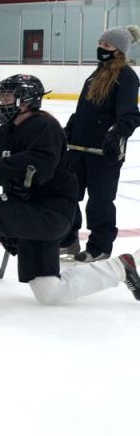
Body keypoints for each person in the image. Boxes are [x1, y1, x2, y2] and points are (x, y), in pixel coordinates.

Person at [0, 74, 139, 309]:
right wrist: (11, 231)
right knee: (50, 292)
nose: (2, 102)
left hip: (51, 214)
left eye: (8, 96)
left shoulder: (43, 126)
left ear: (26, 100)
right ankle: (121, 267)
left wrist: (2, 166)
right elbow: (18, 184)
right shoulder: (5, 133)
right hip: (33, 213)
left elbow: (41, 168)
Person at [60, 25, 140, 262]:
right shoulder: (95, 75)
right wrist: (68, 132)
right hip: (78, 149)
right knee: (68, 194)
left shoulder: (126, 77)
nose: (101, 48)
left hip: (104, 151)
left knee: (100, 201)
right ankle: (68, 240)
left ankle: (100, 246)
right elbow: (82, 111)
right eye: (100, 43)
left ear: (119, 50)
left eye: (107, 45)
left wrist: (116, 135)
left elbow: (130, 115)